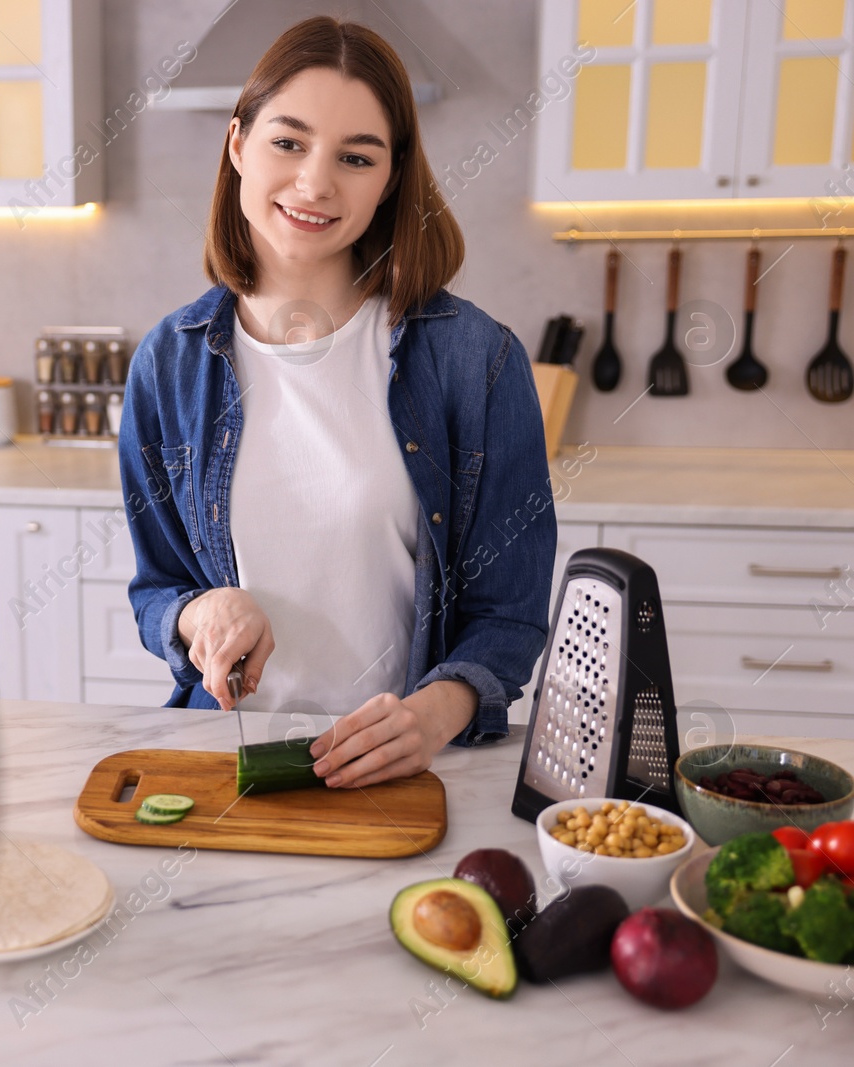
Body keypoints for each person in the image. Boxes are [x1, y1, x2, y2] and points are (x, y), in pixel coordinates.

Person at [117, 16, 556, 789]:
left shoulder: (474, 359)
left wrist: (436, 711)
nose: (316, 183)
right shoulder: (170, 361)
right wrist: (200, 614)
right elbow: (158, 589)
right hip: (231, 763)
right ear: (237, 145)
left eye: (356, 157)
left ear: (390, 180)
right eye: (288, 142)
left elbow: (509, 613)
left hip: (408, 774)